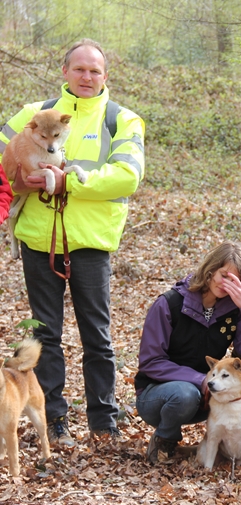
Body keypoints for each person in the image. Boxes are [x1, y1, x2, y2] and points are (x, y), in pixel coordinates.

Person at [0, 39, 145, 446]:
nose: (86, 77)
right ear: (65, 71)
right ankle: (54, 419)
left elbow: (128, 175)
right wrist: (15, 182)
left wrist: (72, 182)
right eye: (79, 69)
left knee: (96, 336)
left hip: (91, 242)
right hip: (38, 240)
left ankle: (103, 423)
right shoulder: (32, 114)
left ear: (105, 76)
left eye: (94, 71)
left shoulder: (122, 120)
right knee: (45, 335)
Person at [134, 242, 241, 464]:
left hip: (208, 394)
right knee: (185, 394)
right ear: (210, 270)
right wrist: (200, 379)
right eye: (223, 275)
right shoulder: (169, 304)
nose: (226, 284)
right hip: (157, 395)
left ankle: (232, 447)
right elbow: (150, 362)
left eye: (234, 281)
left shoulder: (234, 311)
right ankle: (164, 440)